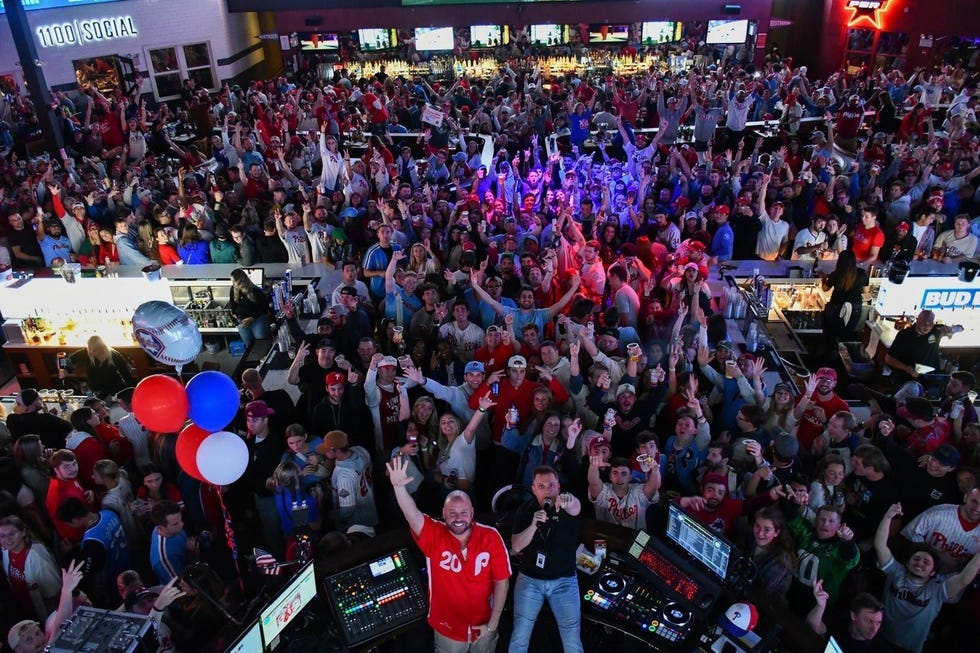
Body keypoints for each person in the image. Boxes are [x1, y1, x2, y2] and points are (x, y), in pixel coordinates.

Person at [387, 456, 510, 652]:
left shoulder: (490, 537)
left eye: (463, 513)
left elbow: (502, 581)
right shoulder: (434, 534)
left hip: (484, 627)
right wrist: (399, 488)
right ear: (444, 513)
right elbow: (412, 514)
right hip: (448, 630)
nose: (458, 518)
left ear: (471, 512)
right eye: (452, 513)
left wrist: (493, 624)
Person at [874, 502, 980, 653]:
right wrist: (888, 516)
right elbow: (880, 545)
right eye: (916, 559)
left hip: (908, 649)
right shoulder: (896, 572)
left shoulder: (937, 590)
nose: (920, 564)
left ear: (933, 572)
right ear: (907, 562)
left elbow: (963, 579)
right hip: (878, 636)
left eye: (926, 562)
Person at [509, 466, 583, 653]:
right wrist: (533, 526)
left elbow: (576, 507)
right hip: (530, 580)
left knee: (572, 640)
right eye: (541, 486)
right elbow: (516, 546)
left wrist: (568, 500)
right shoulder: (526, 510)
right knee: (519, 636)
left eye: (551, 485)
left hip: (564, 581)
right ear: (534, 489)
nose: (547, 490)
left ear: (558, 486)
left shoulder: (567, 503)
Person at [5, 560, 85, 653]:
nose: (38, 640)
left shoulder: (51, 647)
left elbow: (59, 626)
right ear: (19, 650)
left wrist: (67, 590)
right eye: (28, 639)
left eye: (38, 633)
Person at [0, 515, 61, 622]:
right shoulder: (6, 551)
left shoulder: (37, 557)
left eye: (12, 534)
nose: (7, 539)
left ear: (23, 532)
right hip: (26, 612)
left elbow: (54, 595)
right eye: (2, 536)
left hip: (45, 617)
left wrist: (51, 623)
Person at [317, 430, 378, 533]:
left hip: (357, 525)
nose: (325, 452)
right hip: (371, 508)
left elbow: (347, 509)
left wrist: (333, 517)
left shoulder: (344, 476)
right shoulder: (361, 451)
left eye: (327, 450)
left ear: (335, 450)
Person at [807, 587, 894, 652]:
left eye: (878, 623)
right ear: (854, 616)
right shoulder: (840, 620)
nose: (874, 629)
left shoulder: (881, 649)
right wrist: (820, 606)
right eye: (870, 621)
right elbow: (814, 626)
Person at [819, 250, 868, 357]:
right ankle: (845, 360)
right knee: (848, 334)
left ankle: (828, 358)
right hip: (854, 309)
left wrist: (823, 278)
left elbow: (825, 289)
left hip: (836, 307)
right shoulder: (862, 273)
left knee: (831, 334)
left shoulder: (836, 274)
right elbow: (865, 291)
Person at [149, 500, 198, 585]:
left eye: (181, 520)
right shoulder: (164, 558)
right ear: (161, 528)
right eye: (175, 524)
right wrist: (193, 554)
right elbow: (181, 584)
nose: (182, 524)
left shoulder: (170, 528)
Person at [227, 268, 270, 347]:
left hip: (257, 320)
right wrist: (234, 314)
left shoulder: (255, 291)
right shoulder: (233, 289)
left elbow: (264, 308)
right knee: (249, 345)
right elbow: (232, 304)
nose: (232, 283)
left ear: (241, 281)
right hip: (242, 321)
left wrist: (252, 318)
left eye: (234, 281)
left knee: (261, 343)